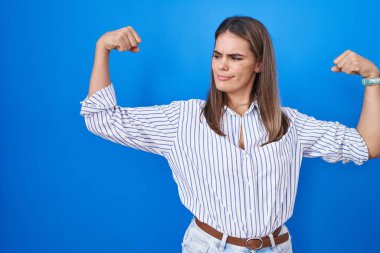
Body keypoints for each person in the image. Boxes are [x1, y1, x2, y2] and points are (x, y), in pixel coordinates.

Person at [79, 16, 380, 253]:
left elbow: (366, 145)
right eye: (217, 55)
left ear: (259, 64)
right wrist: (102, 48)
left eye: (235, 58)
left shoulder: (289, 124)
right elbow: (100, 118)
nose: (221, 65)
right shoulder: (183, 119)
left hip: (275, 248)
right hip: (209, 247)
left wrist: (372, 78)